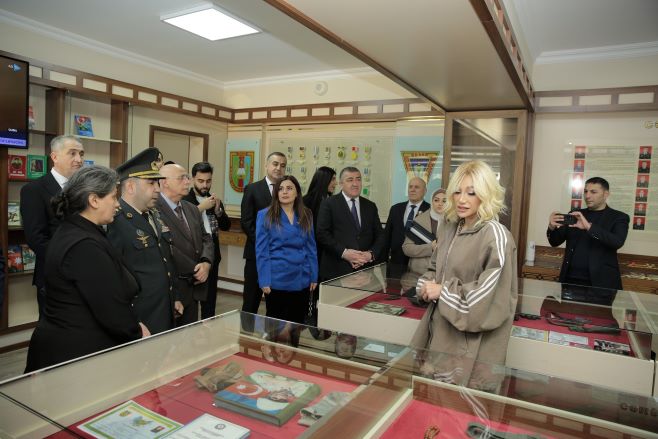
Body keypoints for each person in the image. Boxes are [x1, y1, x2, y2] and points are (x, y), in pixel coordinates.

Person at [24, 166, 148, 372]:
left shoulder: (77, 230)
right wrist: (136, 331)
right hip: (76, 356)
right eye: (113, 197)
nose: (118, 204)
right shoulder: (83, 244)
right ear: (94, 200)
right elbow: (109, 307)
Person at [410, 160, 517, 383]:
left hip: (470, 348)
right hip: (439, 335)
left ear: (486, 194)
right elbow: (434, 269)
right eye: (457, 192)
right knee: (429, 398)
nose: (461, 199)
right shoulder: (450, 227)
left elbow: (486, 300)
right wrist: (425, 286)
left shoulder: (496, 236)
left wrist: (441, 291)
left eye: (471, 192)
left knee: (458, 401)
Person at [107, 148, 182, 334]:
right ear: (130, 187)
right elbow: (113, 280)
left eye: (158, 182)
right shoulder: (115, 221)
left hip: (164, 309)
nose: (158, 188)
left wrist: (174, 296)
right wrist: (131, 320)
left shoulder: (154, 214)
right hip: (141, 317)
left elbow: (166, 260)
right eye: (151, 183)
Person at [20, 135, 84, 318]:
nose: (79, 159)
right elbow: (36, 238)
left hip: (84, 273)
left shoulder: (84, 190)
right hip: (55, 275)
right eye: (72, 153)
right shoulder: (34, 190)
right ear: (54, 157)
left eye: (81, 154)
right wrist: (69, 263)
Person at [256, 175, 318, 326]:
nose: (284, 192)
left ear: (297, 193)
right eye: (281, 189)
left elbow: (311, 247)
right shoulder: (265, 215)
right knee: (275, 327)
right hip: (277, 280)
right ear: (276, 193)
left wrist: (314, 275)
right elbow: (262, 251)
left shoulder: (306, 214)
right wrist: (264, 280)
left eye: (289, 188)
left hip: (301, 278)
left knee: (296, 325)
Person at [156, 163, 214, 325]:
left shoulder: (191, 209)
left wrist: (206, 263)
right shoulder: (154, 210)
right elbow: (165, 248)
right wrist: (195, 268)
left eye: (187, 177)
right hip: (172, 288)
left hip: (194, 288)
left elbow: (206, 238)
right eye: (182, 178)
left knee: (189, 335)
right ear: (165, 182)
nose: (187, 182)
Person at [547, 176, 629, 290]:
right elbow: (554, 242)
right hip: (570, 280)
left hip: (601, 283)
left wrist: (588, 227)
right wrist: (551, 227)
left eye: (593, 192)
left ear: (606, 194)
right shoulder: (575, 214)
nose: (587, 196)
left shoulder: (619, 217)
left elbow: (617, 242)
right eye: (586, 191)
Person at [240, 151, 287, 331]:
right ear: (266, 165)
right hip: (256, 255)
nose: (278, 168)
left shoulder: (287, 190)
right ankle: (245, 337)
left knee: (275, 303)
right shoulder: (253, 189)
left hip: (278, 257)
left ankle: (272, 337)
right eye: (275, 164)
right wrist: (264, 244)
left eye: (282, 165)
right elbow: (246, 222)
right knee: (251, 300)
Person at [316, 166, 385, 281]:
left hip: (365, 271)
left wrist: (371, 254)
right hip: (336, 272)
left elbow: (380, 235)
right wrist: (345, 253)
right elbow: (322, 234)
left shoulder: (370, 206)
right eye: (350, 180)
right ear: (341, 183)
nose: (355, 184)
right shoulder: (329, 203)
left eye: (358, 179)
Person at [183, 161, 231, 319]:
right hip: (191, 258)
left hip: (212, 257)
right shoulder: (184, 199)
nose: (205, 185)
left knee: (210, 301)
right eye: (201, 181)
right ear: (192, 179)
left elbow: (226, 226)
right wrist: (200, 208)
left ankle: (208, 328)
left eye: (208, 181)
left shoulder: (213, 200)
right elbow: (182, 223)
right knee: (191, 301)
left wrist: (218, 211)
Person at [383, 177, 430, 274]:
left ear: (425, 191)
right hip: (396, 262)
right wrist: (384, 261)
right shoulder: (395, 209)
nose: (412, 189)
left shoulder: (430, 210)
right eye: (410, 187)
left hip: (418, 263)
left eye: (417, 187)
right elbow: (387, 236)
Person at [402, 188, 447, 276]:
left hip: (443, 274)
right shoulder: (419, 221)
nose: (440, 203)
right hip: (418, 272)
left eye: (444, 201)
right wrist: (430, 248)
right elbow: (407, 248)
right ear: (432, 202)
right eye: (436, 200)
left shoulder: (454, 222)